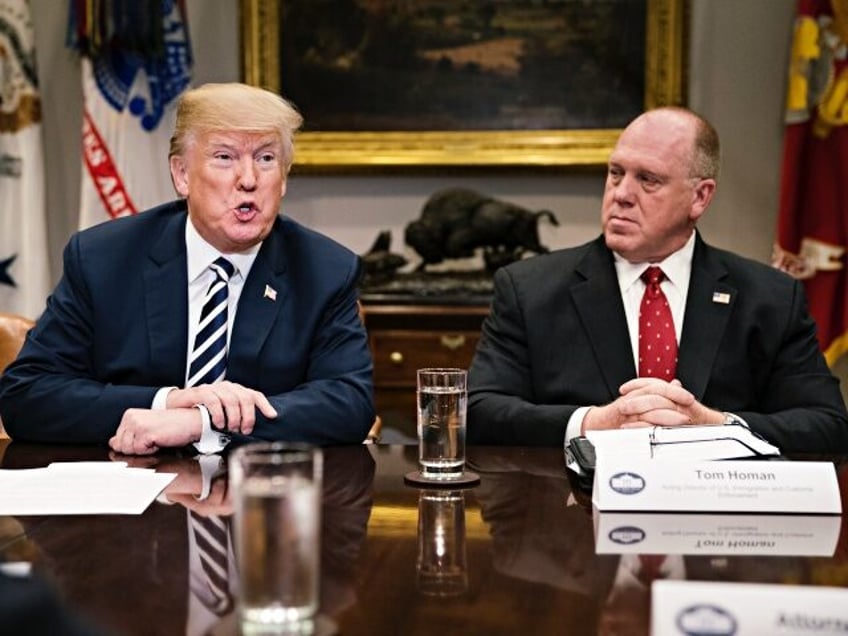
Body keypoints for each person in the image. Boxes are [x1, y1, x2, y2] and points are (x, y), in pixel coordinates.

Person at [0, 82, 375, 454]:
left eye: (265, 158)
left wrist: (203, 422)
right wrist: (164, 403)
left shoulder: (324, 271)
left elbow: (349, 404)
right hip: (131, 497)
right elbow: (27, 394)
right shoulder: (104, 259)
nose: (248, 179)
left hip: (259, 500)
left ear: (283, 179)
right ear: (181, 175)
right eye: (225, 157)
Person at [467, 106, 848, 453]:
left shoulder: (771, 299)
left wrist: (714, 426)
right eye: (616, 173)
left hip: (714, 518)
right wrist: (592, 423)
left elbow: (828, 426)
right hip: (573, 517)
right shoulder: (528, 290)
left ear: (699, 197)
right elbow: (477, 413)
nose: (621, 194)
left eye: (648, 180)